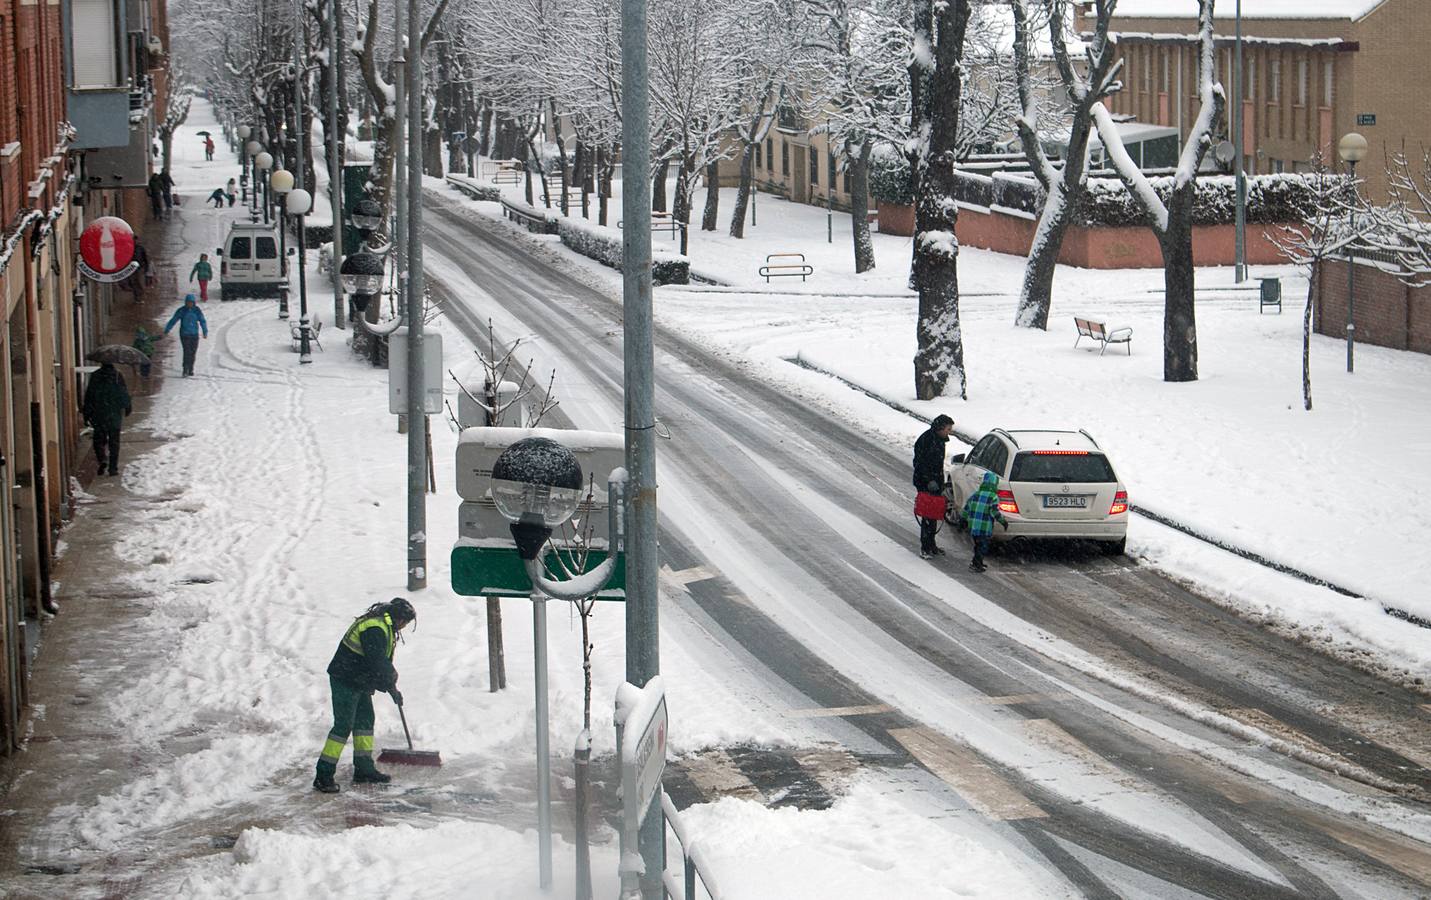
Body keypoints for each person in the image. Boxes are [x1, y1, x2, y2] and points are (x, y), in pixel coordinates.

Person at [314, 598, 417, 793]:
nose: (404, 626)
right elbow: (377, 661)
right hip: (345, 678)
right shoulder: (375, 628)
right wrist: (391, 683)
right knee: (343, 726)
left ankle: (363, 769)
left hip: (358, 678)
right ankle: (323, 776)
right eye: (405, 622)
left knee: (364, 722)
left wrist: (390, 686)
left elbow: (379, 663)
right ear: (397, 617)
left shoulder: (384, 625)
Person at [912, 414, 954, 559]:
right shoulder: (926, 441)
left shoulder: (940, 440)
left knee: (934, 513)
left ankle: (932, 545)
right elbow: (920, 463)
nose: (950, 432)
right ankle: (925, 547)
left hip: (935, 481)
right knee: (928, 515)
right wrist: (929, 480)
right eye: (948, 429)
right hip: (925, 483)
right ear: (940, 428)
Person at [82, 362, 132, 476]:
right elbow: (123, 393)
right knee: (114, 442)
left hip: (99, 414)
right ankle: (113, 468)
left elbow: (89, 396)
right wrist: (128, 407)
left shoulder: (95, 376)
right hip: (114, 414)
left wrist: (87, 414)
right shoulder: (117, 376)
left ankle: (102, 459)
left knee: (99, 440)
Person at [960, 472, 1009, 573]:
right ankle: (976, 564)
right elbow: (994, 512)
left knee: (977, 545)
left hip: (973, 526)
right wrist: (1003, 521)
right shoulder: (993, 497)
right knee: (983, 546)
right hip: (985, 527)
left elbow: (966, 508)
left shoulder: (975, 495)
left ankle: (977, 562)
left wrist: (962, 521)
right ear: (994, 484)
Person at [163, 294, 209, 377]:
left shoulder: (197, 311)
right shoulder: (182, 311)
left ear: (194, 302)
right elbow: (174, 320)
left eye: (191, 302)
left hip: (194, 334)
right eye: (188, 302)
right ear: (185, 302)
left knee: (193, 352)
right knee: (187, 351)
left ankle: (191, 368)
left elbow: (202, 321)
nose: (189, 304)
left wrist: (205, 331)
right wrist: (167, 329)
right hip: (185, 334)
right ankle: (185, 369)